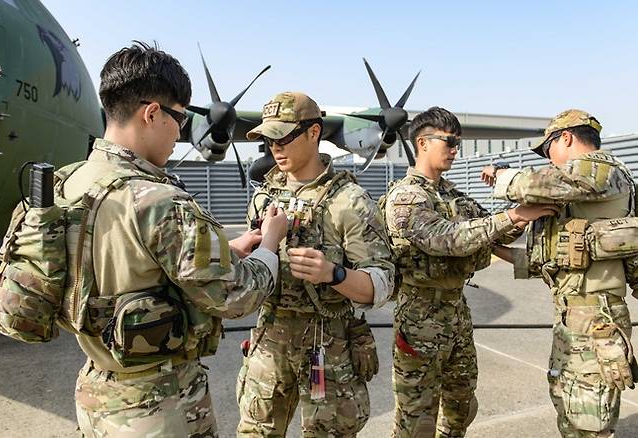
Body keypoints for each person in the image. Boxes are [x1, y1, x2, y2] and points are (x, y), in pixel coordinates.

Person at [63, 42, 287, 437]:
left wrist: (227, 251)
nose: (181, 132)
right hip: (158, 406)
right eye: (180, 120)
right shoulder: (159, 200)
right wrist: (269, 246)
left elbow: (114, 270)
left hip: (95, 392)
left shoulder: (68, 182)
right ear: (152, 113)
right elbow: (236, 296)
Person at [383, 106, 558, 437]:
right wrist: (515, 216)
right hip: (420, 314)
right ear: (422, 143)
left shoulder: (451, 195)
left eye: (457, 142)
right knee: (417, 417)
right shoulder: (406, 196)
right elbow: (445, 239)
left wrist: (523, 204)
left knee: (461, 403)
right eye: (448, 141)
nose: (454, 149)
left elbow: (494, 231)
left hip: (456, 311)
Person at [236, 91, 395, 436]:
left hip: (327, 343)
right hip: (270, 336)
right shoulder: (265, 196)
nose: (274, 147)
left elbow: (383, 283)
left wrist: (334, 274)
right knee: (255, 431)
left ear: (313, 133)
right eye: (268, 138)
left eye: (283, 136)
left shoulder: (349, 202)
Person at [482, 109, 637, 437]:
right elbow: (550, 257)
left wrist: (501, 176)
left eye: (548, 149)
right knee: (567, 405)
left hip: (596, 320)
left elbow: (542, 184)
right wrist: (492, 243)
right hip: (574, 316)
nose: (548, 160)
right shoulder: (583, 195)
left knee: (590, 419)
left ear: (566, 137)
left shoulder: (600, 169)